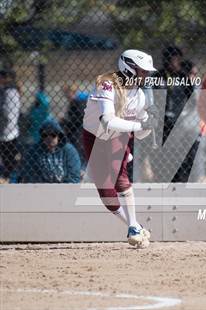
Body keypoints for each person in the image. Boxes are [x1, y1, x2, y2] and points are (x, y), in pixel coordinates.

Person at [82, 49, 158, 248]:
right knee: (106, 194)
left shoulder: (140, 95)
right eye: (143, 71)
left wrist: (150, 125)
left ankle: (133, 227)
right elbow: (107, 120)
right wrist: (140, 126)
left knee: (119, 177)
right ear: (129, 68)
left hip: (119, 135)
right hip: (94, 135)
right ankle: (135, 225)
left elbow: (141, 134)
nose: (146, 76)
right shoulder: (108, 83)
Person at [19, 118, 81, 183]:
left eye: (53, 135)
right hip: (42, 189)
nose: (49, 138)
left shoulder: (69, 150)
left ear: (59, 135)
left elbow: (74, 175)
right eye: (45, 135)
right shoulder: (34, 151)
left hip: (64, 189)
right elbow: (30, 175)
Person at [0, 69, 22, 182]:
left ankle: (10, 178)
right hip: (10, 131)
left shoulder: (9, 92)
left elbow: (7, 114)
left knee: (9, 159)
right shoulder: (9, 91)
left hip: (8, 132)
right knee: (8, 159)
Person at [62, 84, 89, 163]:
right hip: (76, 131)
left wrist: (66, 120)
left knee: (77, 152)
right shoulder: (76, 101)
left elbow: (79, 117)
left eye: (67, 93)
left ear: (72, 92)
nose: (66, 95)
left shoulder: (76, 102)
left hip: (77, 132)